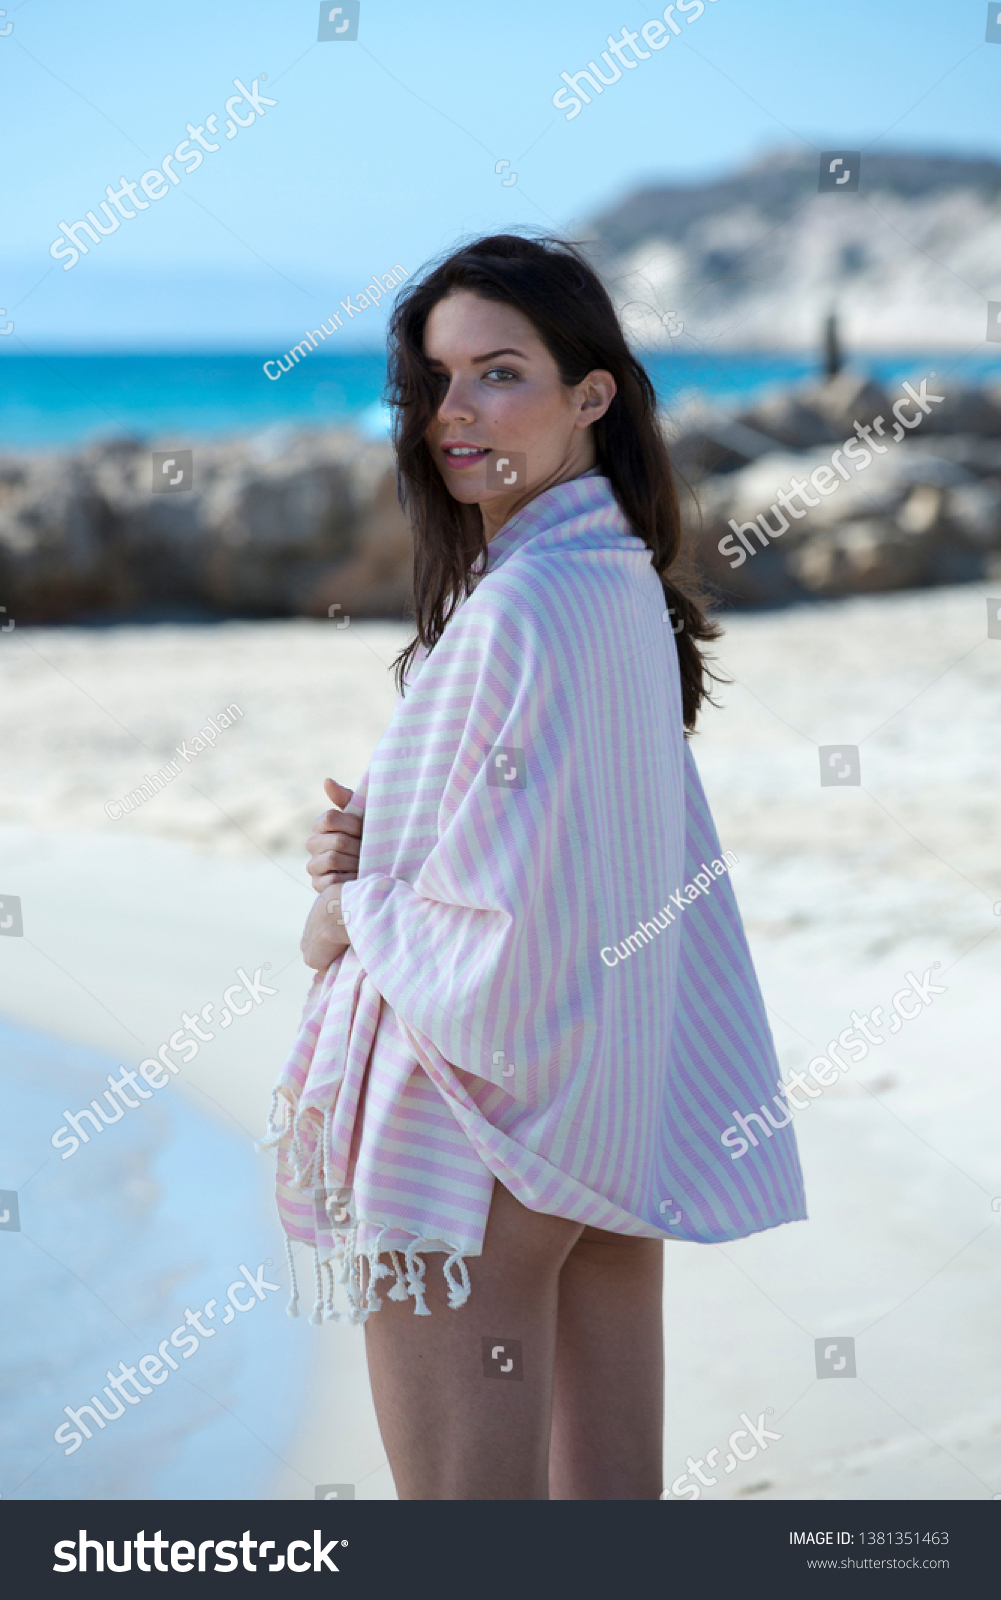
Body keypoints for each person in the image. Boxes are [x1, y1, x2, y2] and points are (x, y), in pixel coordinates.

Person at [265, 233, 806, 1501]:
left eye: (498, 372)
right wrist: (375, 856)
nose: (454, 413)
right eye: (433, 382)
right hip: (602, 1117)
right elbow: (591, 869)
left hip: (471, 1134)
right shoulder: (612, 578)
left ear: (590, 393)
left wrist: (346, 899)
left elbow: (504, 932)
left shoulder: (524, 606)